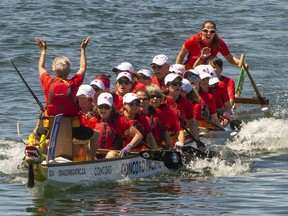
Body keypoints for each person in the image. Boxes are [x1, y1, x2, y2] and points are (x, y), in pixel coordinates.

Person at [35, 36, 99, 161]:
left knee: (37, 135)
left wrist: (43, 51)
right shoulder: (73, 84)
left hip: (50, 128)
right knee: (95, 136)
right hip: (73, 129)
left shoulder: (47, 82)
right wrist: (83, 49)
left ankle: (43, 159)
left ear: (54, 71)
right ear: (69, 71)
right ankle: (90, 162)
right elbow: (82, 68)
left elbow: (41, 68)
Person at [176, 20, 245, 70]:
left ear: (215, 32)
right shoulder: (192, 40)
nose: (208, 33)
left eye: (212, 31)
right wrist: (177, 72)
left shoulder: (219, 43)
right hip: (190, 69)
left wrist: (241, 63)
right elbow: (180, 57)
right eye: (205, 31)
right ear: (201, 31)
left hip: (207, 71)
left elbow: (230, 58)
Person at [94, 92, 143, 158]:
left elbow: (138, 135)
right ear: (97, 107)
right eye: (100, 107)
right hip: (95, 153)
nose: (103, 110)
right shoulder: (92, 120)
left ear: (111, 108)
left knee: (111, 155)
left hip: (114, 155)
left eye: (106, 107)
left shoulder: (120, 120)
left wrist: (129, 146)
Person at [163, 73, 205, 149]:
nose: (178, 86)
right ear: (167, 86)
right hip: (162, 137)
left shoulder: (186, 103)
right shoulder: (162, 101)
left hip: (179, 137)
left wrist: (197, 140)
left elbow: (191, 123)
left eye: (180, 83)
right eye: (174, 84)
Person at [195, 65, 225, 130]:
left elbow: (214, 120)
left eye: (207, 83)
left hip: (205, 128)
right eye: (203, 83)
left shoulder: (210, 97)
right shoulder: (186, 94)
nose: (206, 86)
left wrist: (223, 129)